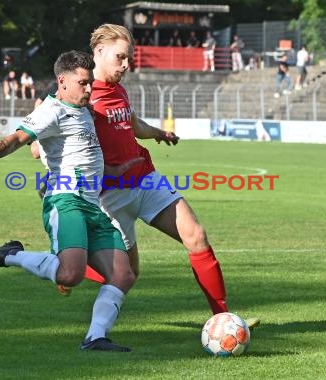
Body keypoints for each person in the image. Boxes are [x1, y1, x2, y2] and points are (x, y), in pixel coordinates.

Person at [0, 50, 135, 352]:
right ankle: (10, 254)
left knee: (123, 274)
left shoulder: (84, 109)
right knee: (70, 275)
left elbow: (82, 153)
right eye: (83, 83)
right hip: (66, 200)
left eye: (90, 83)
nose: (89, 89)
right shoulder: (51, 111)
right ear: (63, 81)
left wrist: (113, 170)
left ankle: (96, 337)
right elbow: (14, 140)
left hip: (92, 205)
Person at [86, 24, 259, 327]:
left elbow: (132, 123)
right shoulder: (81, 93)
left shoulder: (118, 88)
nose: (126, 65)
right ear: (99, 51)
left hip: (145, 178)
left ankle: (223, 320)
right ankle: (67, 265)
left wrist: (158, 133)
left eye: (129, 58)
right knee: (128, 274)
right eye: (121, 57)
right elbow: (46, 139)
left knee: (196, 235)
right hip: (110, 195)